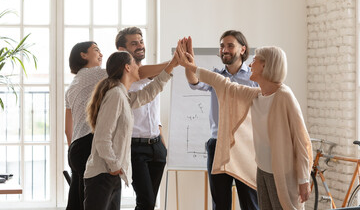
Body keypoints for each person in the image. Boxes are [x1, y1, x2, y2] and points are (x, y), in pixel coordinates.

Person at [176, 43, 313, 210]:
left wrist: (304, 180)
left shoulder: (284, 96)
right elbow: (224, 85)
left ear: (265, 65)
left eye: (254, 60)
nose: (249, 64)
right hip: (262, 171)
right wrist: (191, 67)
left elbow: (301, 141)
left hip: (281, 174)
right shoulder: (256, 95)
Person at [64, 41, 170, 210]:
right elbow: (141, 73)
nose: (101, 54)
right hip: (90, 149)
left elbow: (146, 94)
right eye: (96, 50)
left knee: (76, 204)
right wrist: (173, 63)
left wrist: (170, 70)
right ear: (83, 55)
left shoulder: (75, 85)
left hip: (78, 149)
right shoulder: (96, 76)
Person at [184, 31, 259, 210]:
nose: (224, 50)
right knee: (220, 204)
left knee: (250, 203)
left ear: (243, 49)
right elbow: (194, 81)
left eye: (230, 45)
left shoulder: (254, 78)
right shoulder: (215, 76)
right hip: (217, 144)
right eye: (222, 46)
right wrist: (189, 64)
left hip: (246, 145)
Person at [115, 27, 167, 210]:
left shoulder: (151, 72)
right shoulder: (125, 74)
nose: (140, 46)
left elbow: (153, 111)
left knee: (149, 203)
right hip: (135, 148)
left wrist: (161, 140)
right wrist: (174, 62)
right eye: (134, 43)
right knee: (146, 201)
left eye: (141, 41)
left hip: (156, 145)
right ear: (122, 50)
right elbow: (141, 72)